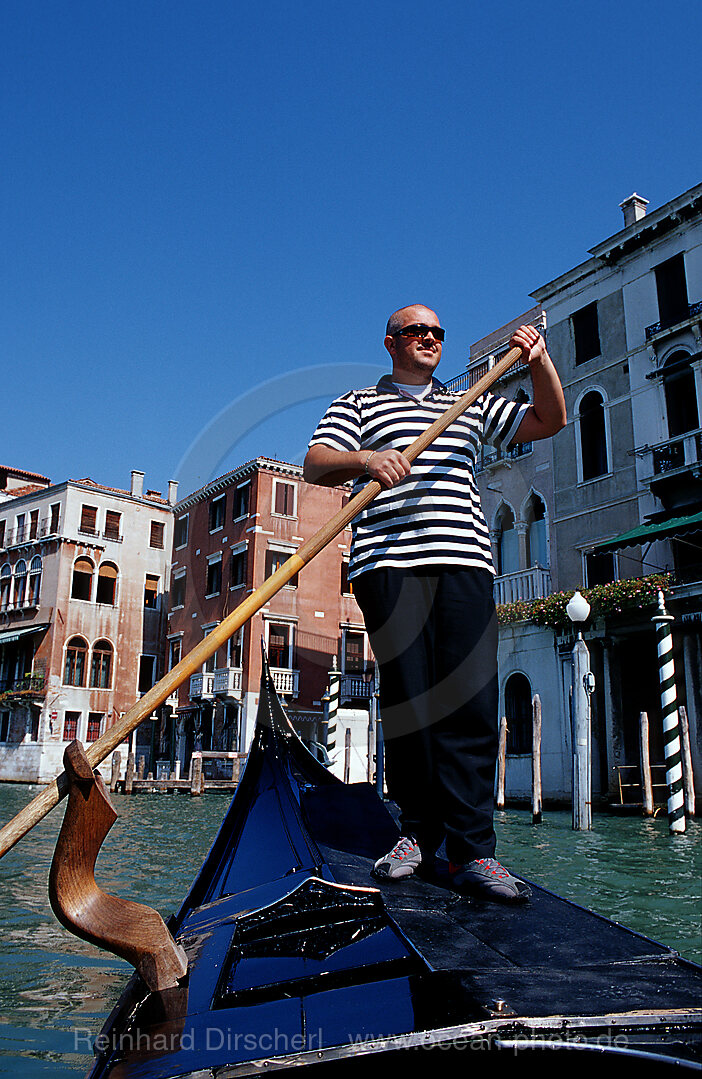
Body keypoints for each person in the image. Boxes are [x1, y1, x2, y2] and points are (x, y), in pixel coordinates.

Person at [303, 304, 566, 902]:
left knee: (472, 703)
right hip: (389, 565)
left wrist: (541, 359)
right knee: (410, 701)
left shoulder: (471, 400)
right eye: (416, 331)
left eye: (437, 333)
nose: (429, 339)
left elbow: (550, 419)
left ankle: (472, 853)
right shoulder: (358, 403)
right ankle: (416, 835)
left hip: (465, 563)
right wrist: (366, 459)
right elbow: (316, 463)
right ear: (391, 342)